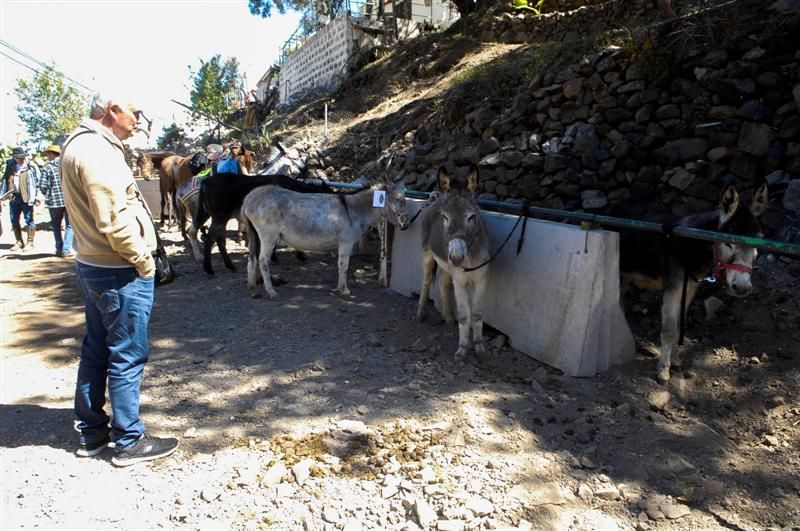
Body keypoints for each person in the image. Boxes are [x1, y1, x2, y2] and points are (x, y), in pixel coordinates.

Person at [60, 91, 178, 467]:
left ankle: (92, 432)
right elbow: (113, 219)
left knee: (96, 348)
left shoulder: (79, 145)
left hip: (95, 265)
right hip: (118, 269)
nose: (139, 120)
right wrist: (143, 261)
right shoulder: (96, 152)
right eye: (135, 112)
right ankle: (129, 441)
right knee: (127, 353)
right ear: (113, 110)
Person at [2, 147, 43, 251]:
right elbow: (5, 181)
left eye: (22, 157)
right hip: (14, 196)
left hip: (26, 196)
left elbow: (38, 181)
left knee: (28, 219)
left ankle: (30, 242)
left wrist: (38, 197)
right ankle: (19, 241)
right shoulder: (10, 166)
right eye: (19, 158)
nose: (21, 159)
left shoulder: (31, 166)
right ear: (14, 157)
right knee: (14, 219)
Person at [38, 144, 74, 257]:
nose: (47, 157)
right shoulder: (67, 165)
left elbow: (43, 185)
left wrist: (47, 194)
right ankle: (66, 250)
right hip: (69, 199)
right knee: (70, 225)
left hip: (54, 202)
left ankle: (59, 249)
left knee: (56, 226)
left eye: (47, 154)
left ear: (50, 154)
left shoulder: (47, 168)